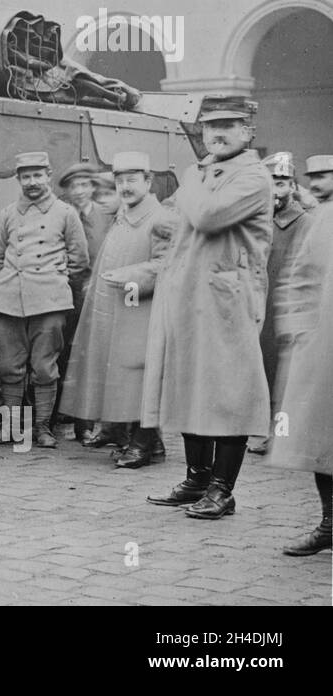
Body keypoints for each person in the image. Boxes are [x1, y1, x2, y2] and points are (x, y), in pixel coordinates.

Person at [143, 95, 272, 520]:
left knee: (227, 392)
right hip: (190, 295)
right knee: (190, 385)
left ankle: (223, 490)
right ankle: (197, 479)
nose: (217, 133)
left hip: (228, 299)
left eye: (229, 125)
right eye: (210, 126)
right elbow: (165, 222)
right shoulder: (204, 173)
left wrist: (190, 179)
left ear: (248, 131)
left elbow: (208, 216)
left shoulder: (252, 176)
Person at [60, 152, 178, 468]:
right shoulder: (125, 214)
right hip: (120, 309)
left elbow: (167, 264)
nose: (125, 186)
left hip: (142, 311)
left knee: (141, 376)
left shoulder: (161, 218)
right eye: (120, 180)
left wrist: (130, 277)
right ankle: (148, 443)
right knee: (126, 377)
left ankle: (142, 443)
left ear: (148, 181)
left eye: (132, 179)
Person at [0, 151, 89, 449]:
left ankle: (43, 427)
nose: (32, 182)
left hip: (49, 302)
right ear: (18, 179)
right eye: (26, 177)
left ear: (48, 175)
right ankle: (11, 428)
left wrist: (52, 280)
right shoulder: (7, 213)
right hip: (7, 301)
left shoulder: (66, 213)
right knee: (9, 366)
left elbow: (79, 260)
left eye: (37, 175)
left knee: (44, 367)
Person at [265, 203, 333, 555]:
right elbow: (300, 276)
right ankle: (329, 524)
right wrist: (299, 328)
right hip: (324, 348)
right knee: (323, 441)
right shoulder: (325, 218)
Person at [251, 152, 313, 455]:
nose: (276, 190)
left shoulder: (305, 223)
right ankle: (262, 430)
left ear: (293, 186)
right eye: (271, 183)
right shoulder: (257, 220)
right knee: (259, 369)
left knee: (282, 375)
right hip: (256, 307)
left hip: (284, 309)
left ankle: (280, 435)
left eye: (282, 183)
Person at [57, 161, 111, 447]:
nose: (78, 191)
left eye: (83, 185)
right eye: (72, 187)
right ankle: (77, 422)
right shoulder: (63, 216)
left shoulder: (106, 216)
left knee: (95, 357)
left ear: (92, 187)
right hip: (68, 293)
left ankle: (94, 423)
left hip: (98, 293)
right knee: (70, 356)